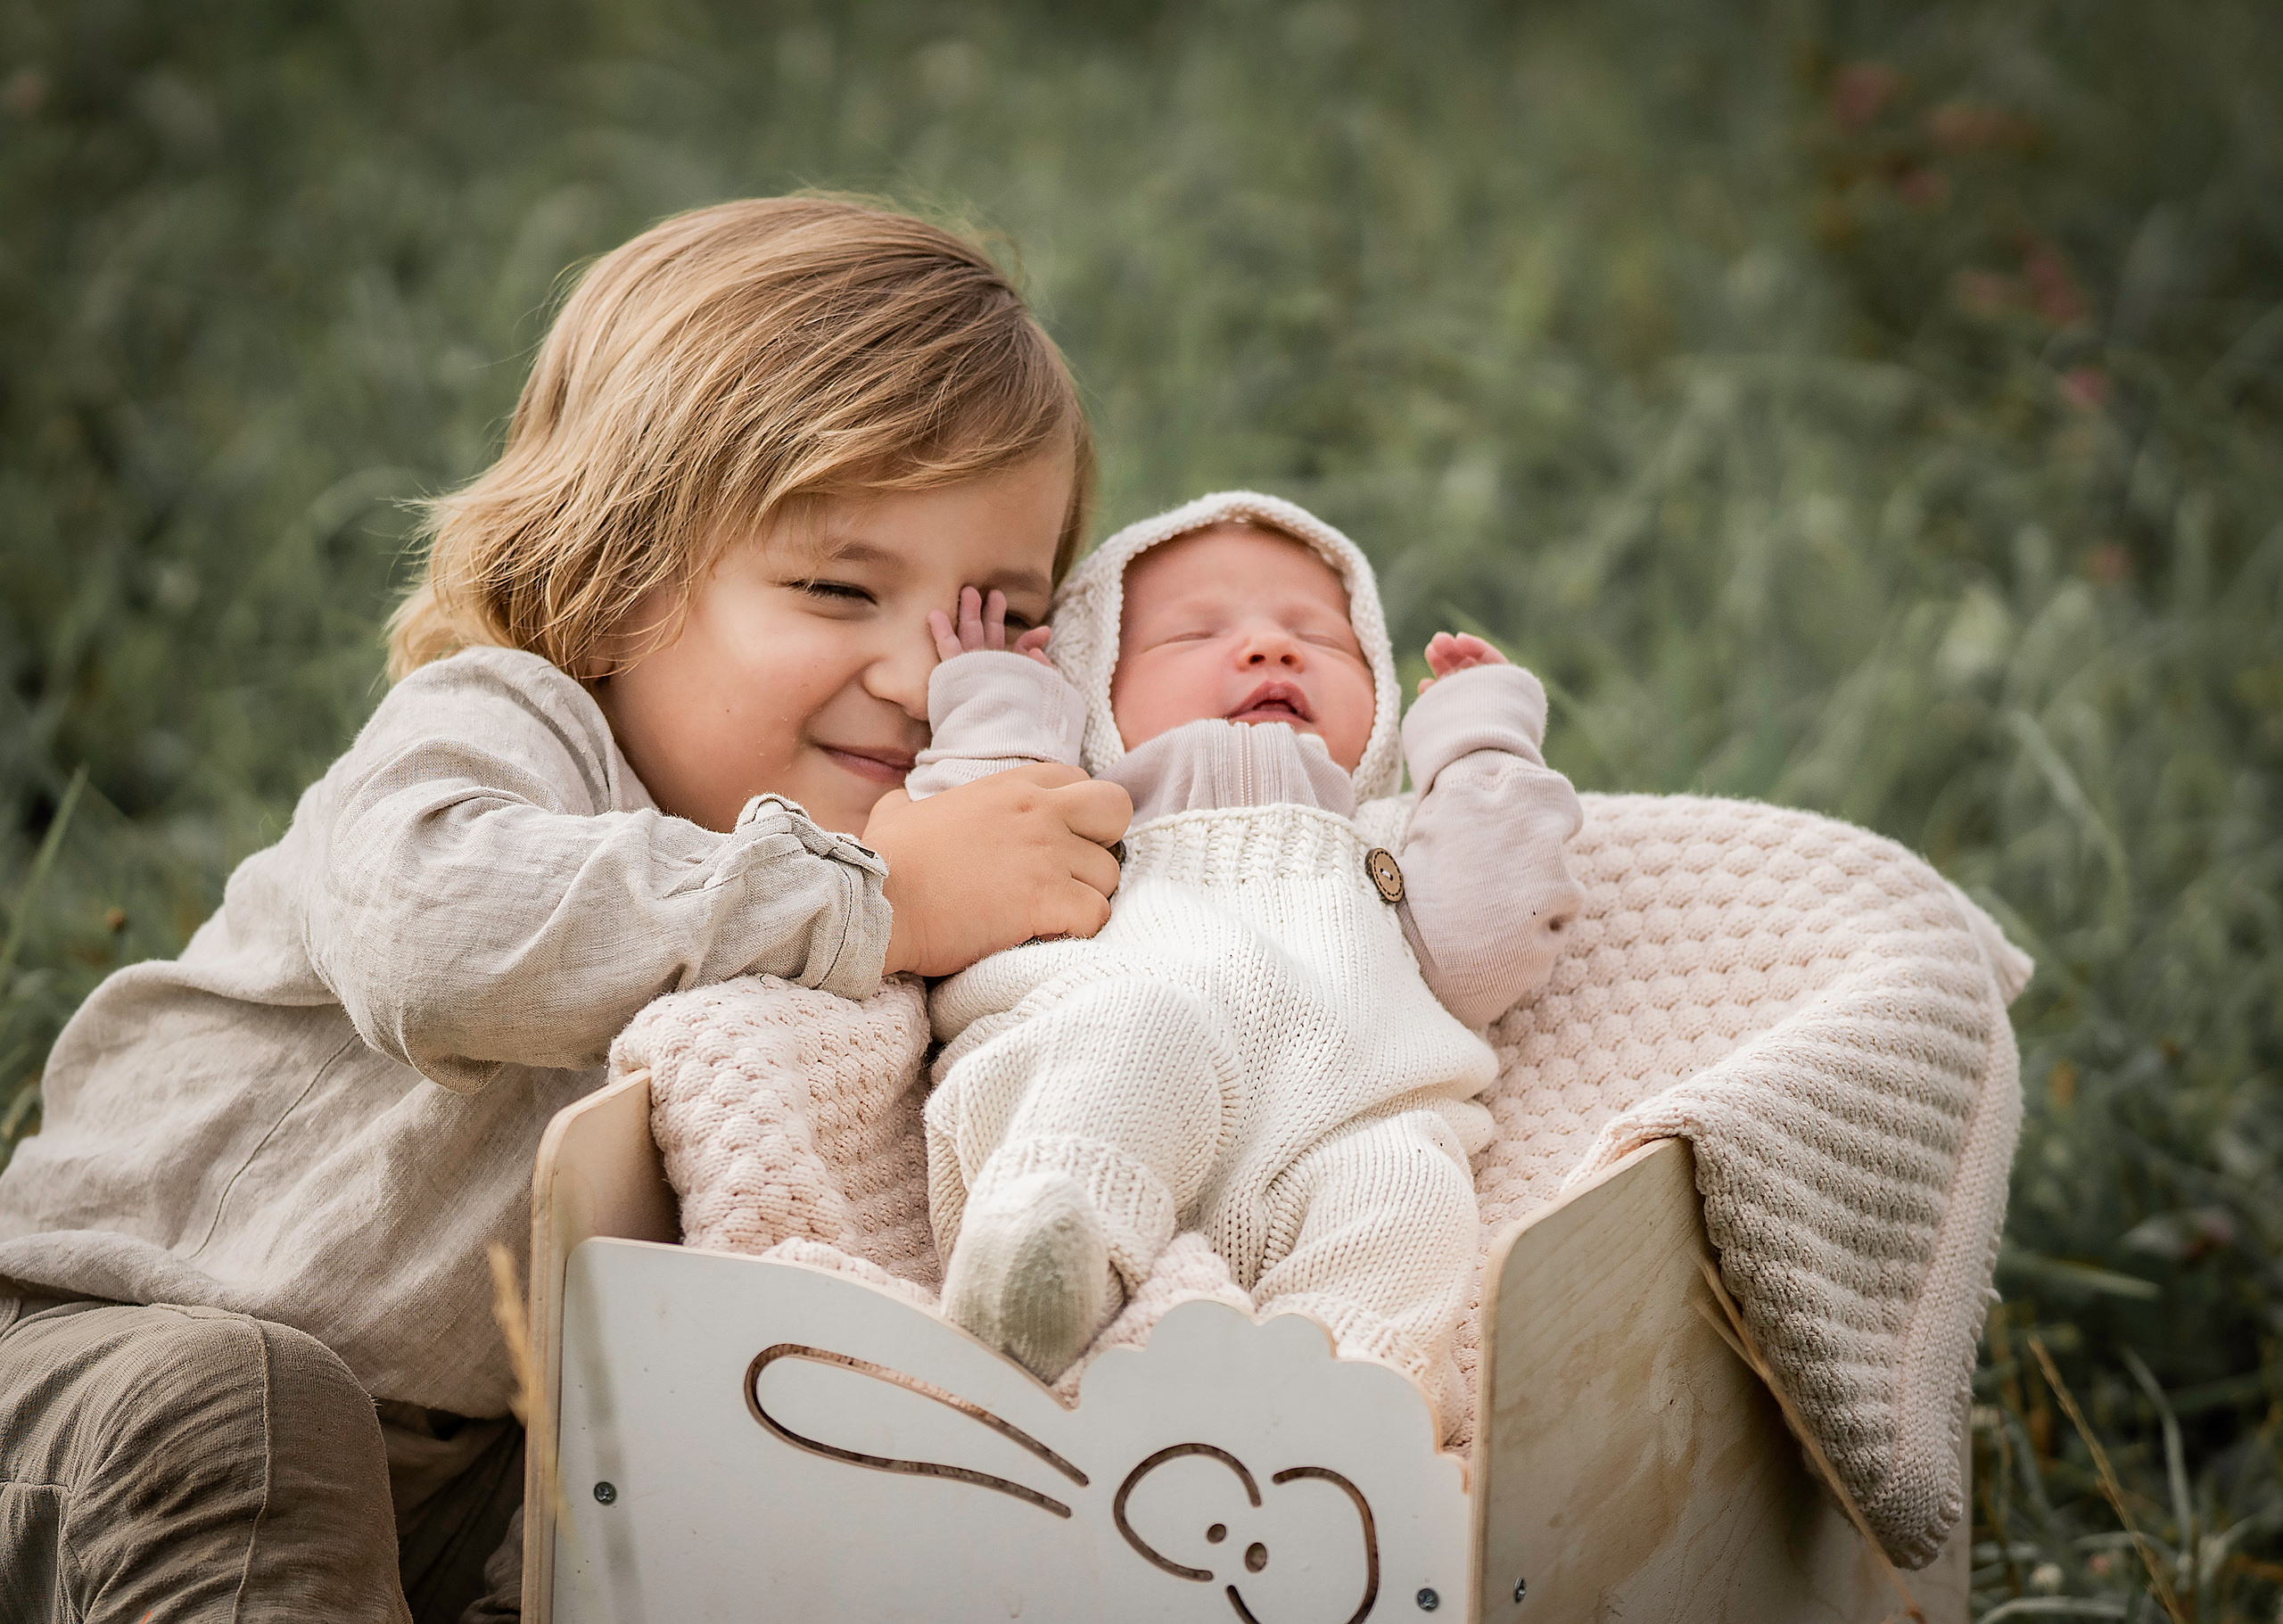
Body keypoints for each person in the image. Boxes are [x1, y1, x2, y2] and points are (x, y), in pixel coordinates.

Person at [0, 196, 1130, 1624]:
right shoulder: (509, 726)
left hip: (462, 1463)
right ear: (605, 586)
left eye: (1002, 620)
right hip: (103, 1370)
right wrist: (881, 900)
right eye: (839, 588)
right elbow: (431, 938)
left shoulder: (923, 890)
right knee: (252, 1412)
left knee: (661, 1511)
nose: (925, 679)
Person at [906, 490, 1585, 1420]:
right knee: (1136, 1026)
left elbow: (1493, 942)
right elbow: (968, 856)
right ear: (1088, 683)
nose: (1272, 648)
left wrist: (1479, 746)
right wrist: (1002, 708)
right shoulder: (1072, 813)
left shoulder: (1390, 844)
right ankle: (1039, 1265)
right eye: (1194, 634)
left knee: (1411, 1179)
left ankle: (1344, 1406)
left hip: (1333, 1135)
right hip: (1112, 1078)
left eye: (1322, 638)